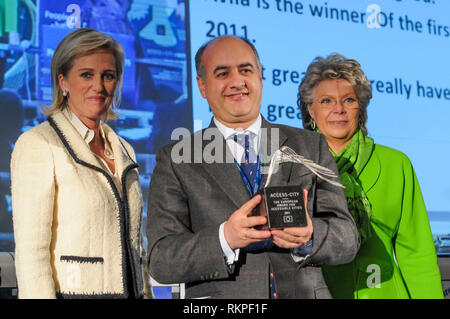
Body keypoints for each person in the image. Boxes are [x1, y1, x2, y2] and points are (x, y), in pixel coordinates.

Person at [147, 36, 359, 299]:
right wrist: (226, 238)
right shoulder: (176, 159)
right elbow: (162, 259)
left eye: (246, 70)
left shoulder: (310, 145)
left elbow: (348, 238)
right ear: (202, 86)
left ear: (260, 77)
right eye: (222, 73)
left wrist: (310, 235)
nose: (237, 82)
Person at [11, 28, 150, 298]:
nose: (98, 86)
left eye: (108, 76)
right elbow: (32, 257)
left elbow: (136, 247)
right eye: (86, 74)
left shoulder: (125, 150)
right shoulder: (39, 144)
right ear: (62, 82)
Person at [297, 53, 443, 299]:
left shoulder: (396, 164)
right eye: (326, 101)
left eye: (349, 100)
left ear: (361, 107)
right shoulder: (292, 164)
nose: (339, 110)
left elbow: (418, 255)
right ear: (311, 110)